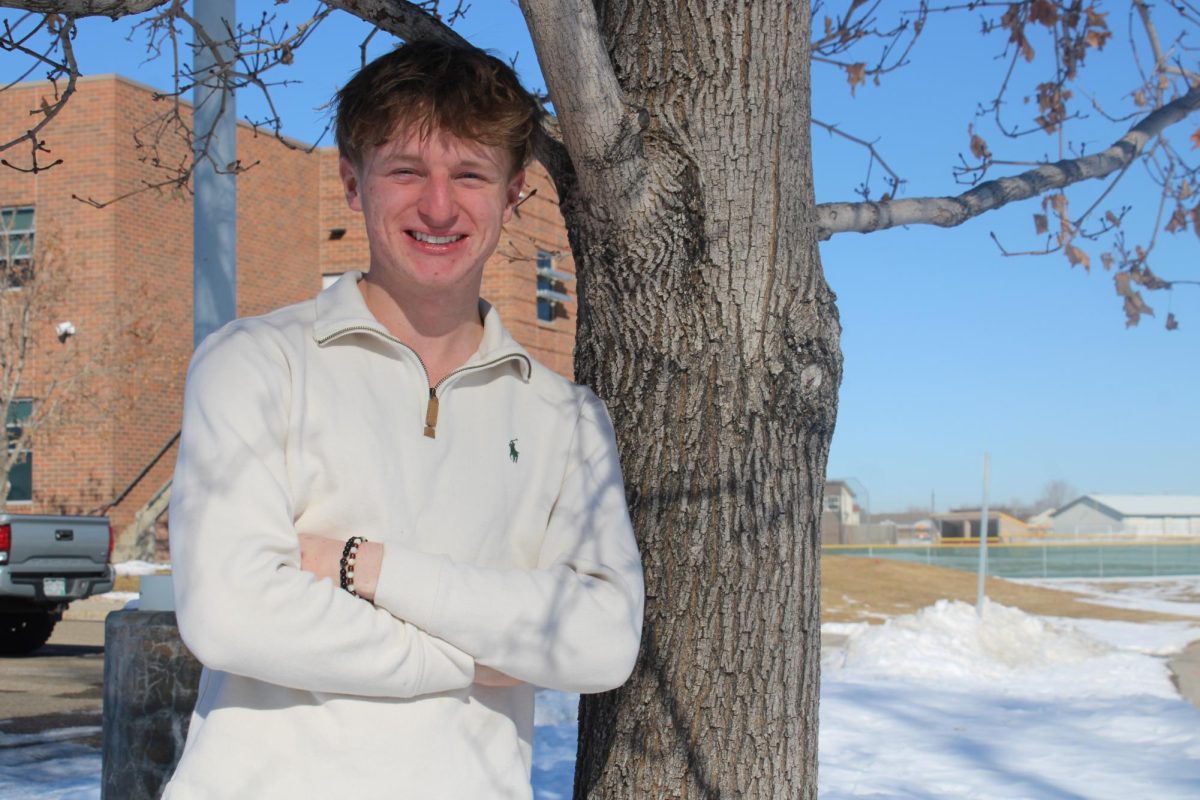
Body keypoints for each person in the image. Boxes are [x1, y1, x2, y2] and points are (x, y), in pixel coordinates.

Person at [163, 40, 644, 799]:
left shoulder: (567, 422)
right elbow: (232, 614)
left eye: (471, 174)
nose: (439, 207)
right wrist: (474, 655)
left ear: (515, 192)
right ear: (353, 183)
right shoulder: (255, 365)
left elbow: (602, 642)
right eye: (406, 171)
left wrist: (359, 564)